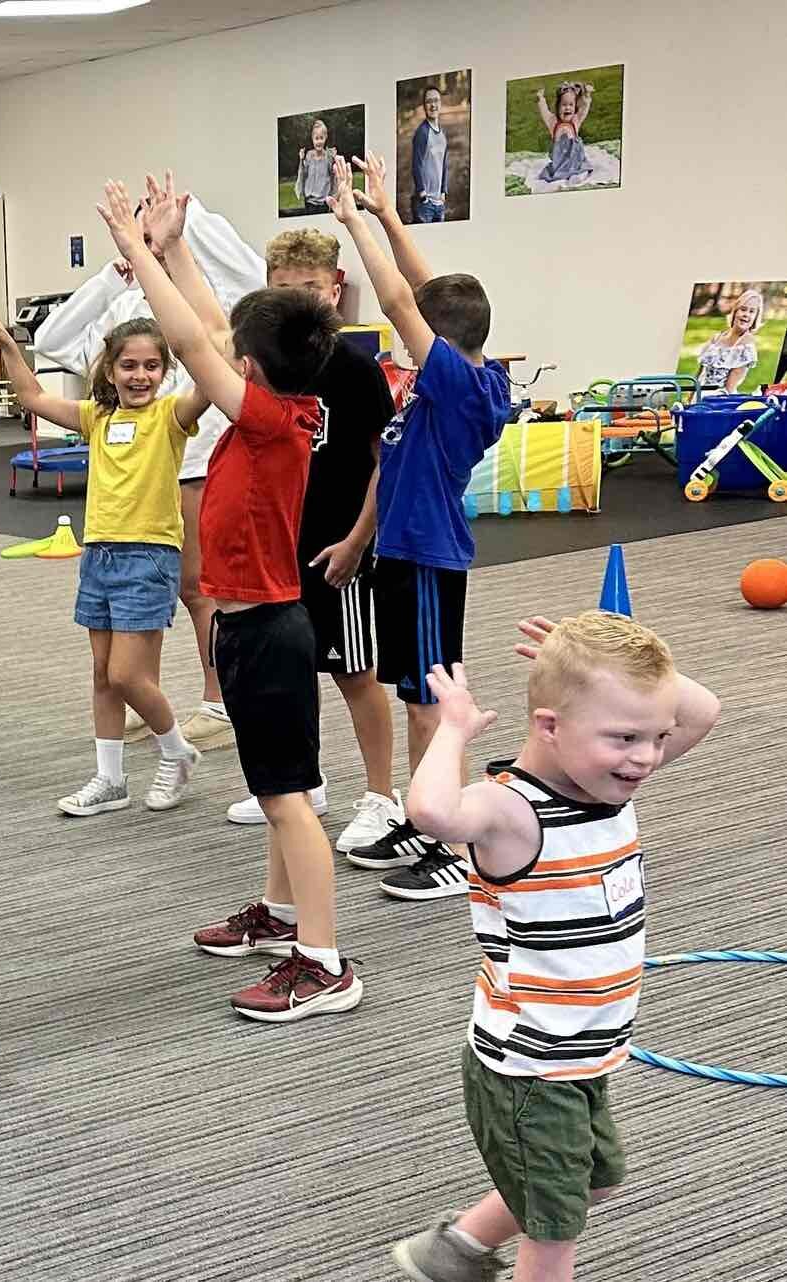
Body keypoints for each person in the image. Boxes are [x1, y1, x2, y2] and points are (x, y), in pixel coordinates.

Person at [388, 615, 719, 1282]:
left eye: (655, 737)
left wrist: (599, 665)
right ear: (548, 728)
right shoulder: (513, 814)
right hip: (528, 1069)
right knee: (555, 1231)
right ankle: (462, 1253)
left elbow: (703, 709)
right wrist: (450, 728)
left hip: (584, 1053)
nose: (647, 757)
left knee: (592, 1185)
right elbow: (432, 813)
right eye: (625, 737)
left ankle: (451, 1251)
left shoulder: (606, 783)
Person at [101, 174, 361, 1022]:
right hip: (254, 629)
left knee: (288, 799)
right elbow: (215, 327)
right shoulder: (284, 400)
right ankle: (282, 916)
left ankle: (323, 962)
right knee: (282, 785)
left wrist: (138, 254)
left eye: (234, 356)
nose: (224, 353)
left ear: (249, 371)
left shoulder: (264, 418)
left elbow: (191, 339)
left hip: (271, 632)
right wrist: (174, 245)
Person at [330, 153, 514, 901]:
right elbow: (429, 297)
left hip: (431, 560)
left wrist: (349, 221)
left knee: (428, 701)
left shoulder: (465, 388)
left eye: (417, 335)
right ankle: (422, 811)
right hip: (401, 553)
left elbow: (404, 300)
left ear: (435, 344)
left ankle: (447, 841)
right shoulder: (461, 370)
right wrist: (387, 214)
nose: (406, 339)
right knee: (411, 690)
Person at [0, 227, 209, 819]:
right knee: (104, 675)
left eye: (152, 366)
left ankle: (176, 750)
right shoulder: (96, 417)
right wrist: (6, 342)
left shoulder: (171, 416)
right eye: (129, 365)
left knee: (132, 674)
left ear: (165, 372)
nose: (139, 376)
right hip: (100, 554)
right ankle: (110, 779)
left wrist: (178, 283)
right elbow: (30, 395)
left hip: (149, 555)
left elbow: (208, 375)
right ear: (110, 369)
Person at [32, 192, 265, 755]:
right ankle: (145, 695)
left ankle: (218, 700)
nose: (147, 244)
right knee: (141, 604)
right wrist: (116, 273)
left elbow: (258, 282)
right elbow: (48, 342)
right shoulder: (123, 302)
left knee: (197, 587)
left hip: (196, 465)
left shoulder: (204, 288)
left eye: (153, 234)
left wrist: (186, 229)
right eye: (139, 235)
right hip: (135, 478)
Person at [222, 229, 401, 857]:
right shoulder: (265, 366)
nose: (300, 301)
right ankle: (309, 782)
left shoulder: (354, 370)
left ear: (335, 289)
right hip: (279, 546)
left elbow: (385, 462)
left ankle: (382, 796)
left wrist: (357, 540)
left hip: (337, 549)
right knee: (290, 672)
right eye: (285, 289)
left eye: (311, 289)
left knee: (355, 672)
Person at [694, 288, 764, 396]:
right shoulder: (717, 338)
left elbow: (728, 390)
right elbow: (699, 373)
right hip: (698, 395)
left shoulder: (746, 346)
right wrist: (690, 397)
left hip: (717, 401)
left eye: (752, 311)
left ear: (755, 317)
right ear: (735, 311)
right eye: (743, 309)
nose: (746, 314)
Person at [535, 82, 594, 185]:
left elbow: (584, 109)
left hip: (576, 162)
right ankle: (565, 177)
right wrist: (541, 98)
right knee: (554, 177)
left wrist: (587, 95)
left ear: (575, 107)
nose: (567, 108)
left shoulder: (575, 120)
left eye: (571, 105)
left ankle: (577, 176)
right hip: (559, 164)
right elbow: (544, 111)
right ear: (558, 107)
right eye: (564, 105)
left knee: (582, 171)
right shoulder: (553, 122)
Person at [411, 87, 449, 223]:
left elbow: (444, 164)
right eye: (429, 101)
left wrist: (444, 191)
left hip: (440, 204)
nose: (433, 105)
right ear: (424, 106)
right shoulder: (422, 133)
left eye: (436, 101)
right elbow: (416, 165)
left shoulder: (442, 134)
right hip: (425, 205)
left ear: (441, 104)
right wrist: (422, 195)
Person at [296, 119, 336, 212]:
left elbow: (332, 174)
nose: (319, 141)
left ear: (325, 138)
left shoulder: (328, 156)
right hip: (310, 201)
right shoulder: (309, 155)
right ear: (312, 139)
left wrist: (334, 160)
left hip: (323, 201)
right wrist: (301, 159)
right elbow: (304, 173)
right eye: (316, 138)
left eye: (321, 138)